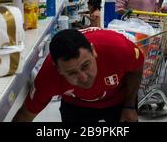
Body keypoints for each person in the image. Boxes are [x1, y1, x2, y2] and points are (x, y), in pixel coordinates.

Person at [12, 28, 144, 122]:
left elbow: (136, 68)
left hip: (119, 101)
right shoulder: (48, 77)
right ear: (58, 69)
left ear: (93, 51)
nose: (83, 77)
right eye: (71, 73)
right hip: (76, 106)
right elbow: (25, 115)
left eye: (85, 66)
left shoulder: (118, 49)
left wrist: (129, 106)